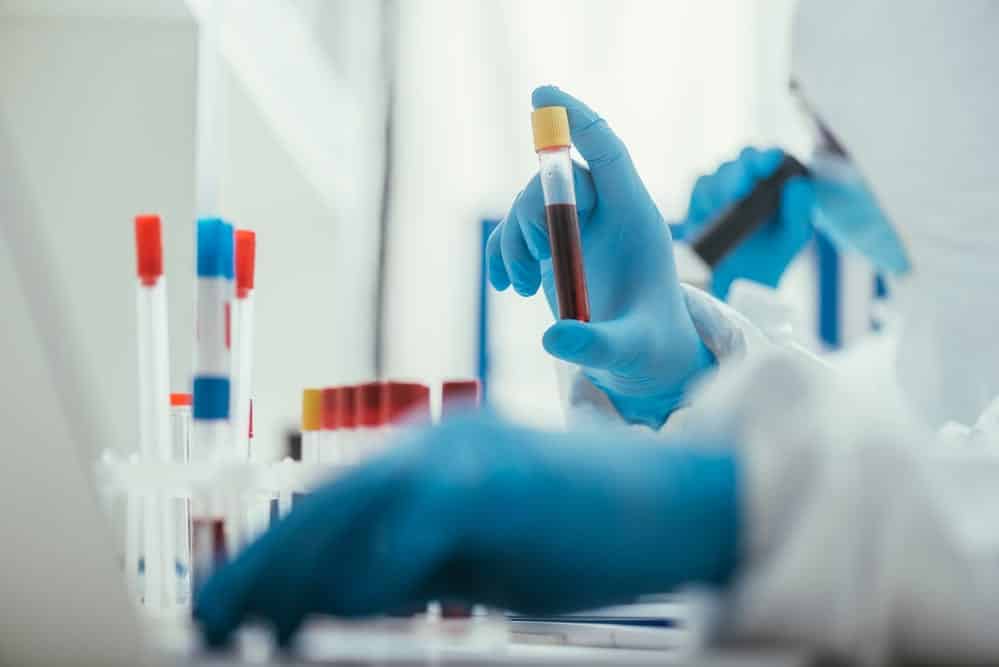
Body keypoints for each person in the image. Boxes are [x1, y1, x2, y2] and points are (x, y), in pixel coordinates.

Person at [195, 1, 999, 662]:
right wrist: (684, 366)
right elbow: (916, 469)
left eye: (833, 139)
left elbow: (934, 536)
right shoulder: (925, 355)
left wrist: (725, 499)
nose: (809, 166)